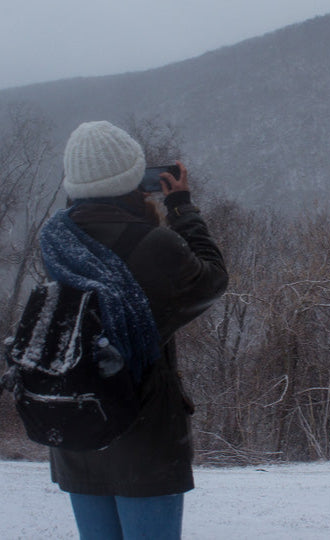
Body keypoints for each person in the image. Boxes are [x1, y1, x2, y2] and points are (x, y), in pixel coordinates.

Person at [41, 120, 228, 540]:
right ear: (131, 180)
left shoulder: (55, 242)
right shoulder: (155, 245)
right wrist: (181, 207)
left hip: (76, 430)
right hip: (143, 437)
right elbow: (213, 279)